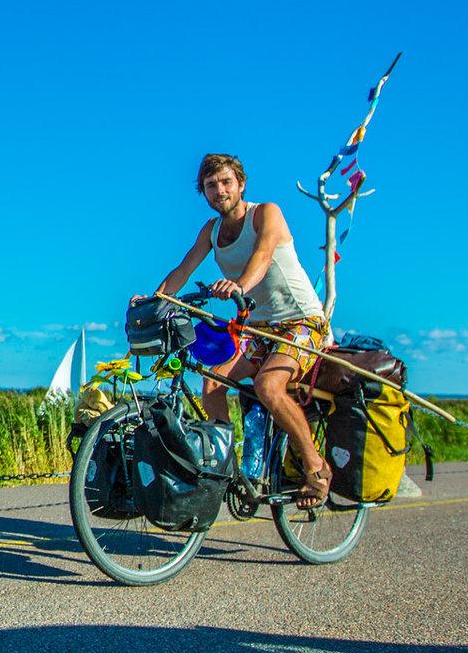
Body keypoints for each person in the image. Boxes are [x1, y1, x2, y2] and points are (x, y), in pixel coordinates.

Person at [139, 153, 333, 505]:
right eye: (211, 186)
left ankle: (316, 467)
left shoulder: (265, 213)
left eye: (226, 182)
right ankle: (225, 466)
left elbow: (262, 255)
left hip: (302, 322)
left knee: (268, 385)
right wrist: (155, 299)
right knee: (212, 382)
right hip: (260, 328)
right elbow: (184, 268)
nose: (219, 191)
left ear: (240, 184)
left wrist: (239, 285)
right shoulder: (210, 232)